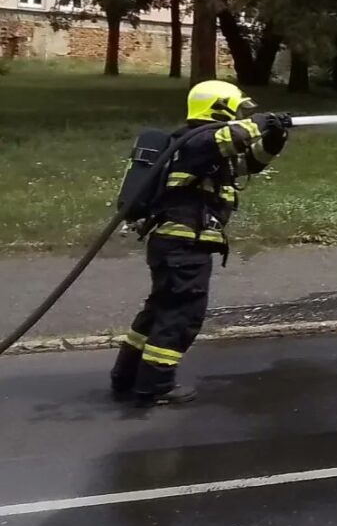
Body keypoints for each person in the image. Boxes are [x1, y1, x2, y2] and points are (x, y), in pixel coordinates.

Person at [110, 80, 292, 408]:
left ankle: (126, 376)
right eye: (236, 109)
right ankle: (156, 386)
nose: (240, 115)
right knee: (180, 316)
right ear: (220, 108)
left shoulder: (197, 150)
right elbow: (230, 137)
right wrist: (259, 122)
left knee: (160, 311)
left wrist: (274, 137)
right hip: (185, 246)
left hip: (175, 246)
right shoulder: (197, 141)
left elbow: (248, 162)